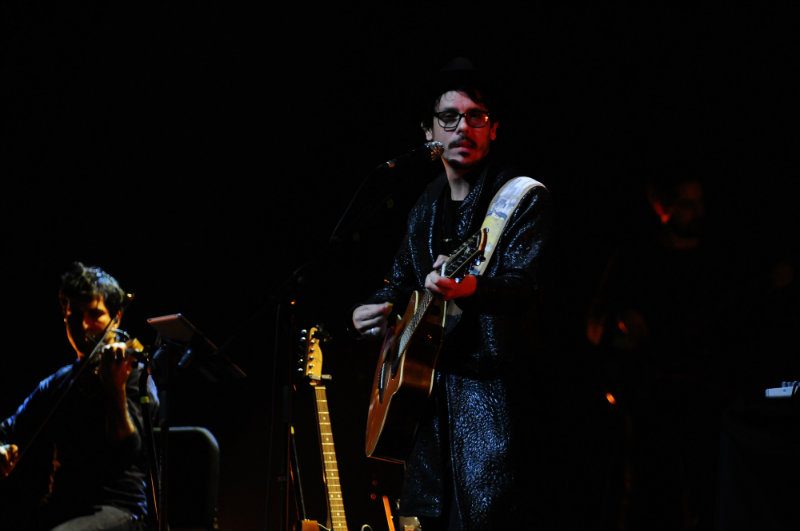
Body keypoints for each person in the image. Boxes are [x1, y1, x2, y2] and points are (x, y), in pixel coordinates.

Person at [351, 57, 557, 530]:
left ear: (493, 129)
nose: (462, 126)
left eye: (475, 116)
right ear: (429, 133)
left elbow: (526, 289)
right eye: (449, 118)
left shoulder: (520, 198)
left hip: (491, 407)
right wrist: (373, 310)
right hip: (425, 415)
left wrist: (472, 288)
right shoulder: (424, 206)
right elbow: (400, 281)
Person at [0, 262, 159, 530]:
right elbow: (8, 429)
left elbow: (128, 451)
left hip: (119, 509)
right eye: (74, 317)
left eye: (95, 315)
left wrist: (115, 387)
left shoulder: (133, 375)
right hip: (62, 507)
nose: (83, 325)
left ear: (116, 318)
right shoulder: (59, 381)